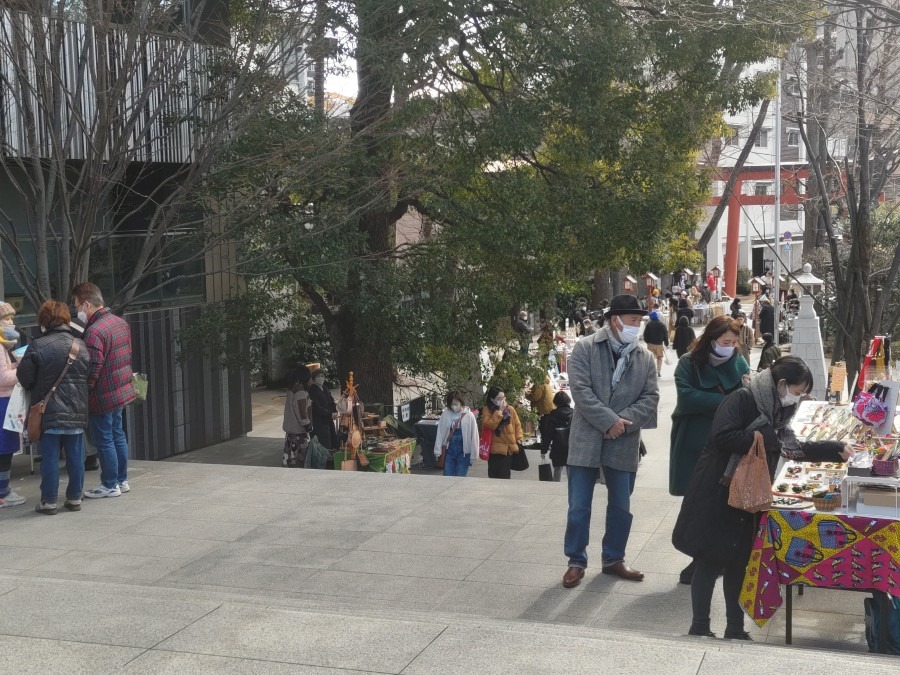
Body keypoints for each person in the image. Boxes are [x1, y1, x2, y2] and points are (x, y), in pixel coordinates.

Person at [673, 357, 853, 639]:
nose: (797, 396)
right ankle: (699, 627)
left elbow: (791, 448)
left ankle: (735, 628)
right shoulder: (742, 399)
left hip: (751, 494)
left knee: (739, 561)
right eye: (797, 390)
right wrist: (762, 435)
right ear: (781, 384)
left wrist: (833, 450)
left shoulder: (778, 412)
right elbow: (722, 436)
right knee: (709, 560)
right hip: (719, 489)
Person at [563, 294, 659, 587]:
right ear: (615, 320)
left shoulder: (645, 357)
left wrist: (621, 424)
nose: (637, 326)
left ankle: (613, 558)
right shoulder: (585, 347)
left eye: (639, 321)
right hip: (586, 438)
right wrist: (609, 421)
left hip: (624, 441)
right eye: (633, 320)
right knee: (578, 506)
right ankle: (576, 560)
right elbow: (580, 390)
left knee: (621, 505)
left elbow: (651, 397)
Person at [669, 315, 750, 584]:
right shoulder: (688, 363)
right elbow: (687, 397)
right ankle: (699, 558)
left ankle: (712, 558)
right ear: (711, 340)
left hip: (727, 441)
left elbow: (747, 398)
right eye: (725, 341)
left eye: (734, 342)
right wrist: (728, 401)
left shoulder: (738, 361)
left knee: (723, 500)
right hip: (693, 438)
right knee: (697, 501)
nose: (730, 346)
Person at [17, 301, 91, 514]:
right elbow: (88, 374)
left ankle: (49, 501)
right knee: (76, 457)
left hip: (47, 410)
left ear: (44, 321)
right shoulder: (80, 345)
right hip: (76, 409)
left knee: (49, 457)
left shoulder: (38, 345)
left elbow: (25, 378)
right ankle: (75, 498)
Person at [72, 283, 136, 499]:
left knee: (104, 439)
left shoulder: (94, 332)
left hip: (102, 394)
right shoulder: (120, 323)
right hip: (120, 389)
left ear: (87, 304)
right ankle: (121, 480)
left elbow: (92, 369)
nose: (77, 311)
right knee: (118, 435)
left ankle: (109, 484)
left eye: (78, 306)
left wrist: (85, 394)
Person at [0, 302, 24, 509]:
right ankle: (2, 492)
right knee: (4, 449)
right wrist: (22, 372)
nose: (11, 323)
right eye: (6, 319)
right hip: (2, 402)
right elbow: (2, 377)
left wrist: (16, 364)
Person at [481, 386, 524, 479]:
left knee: (505, 476)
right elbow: (489, 425)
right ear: (492, 399)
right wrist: (499, 411)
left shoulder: (510, 409)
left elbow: (517, 425)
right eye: (499, 398)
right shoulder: (487, 410)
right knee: (494, 476)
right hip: (494, 450)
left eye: (503, 398)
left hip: (508, 449)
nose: (502, 401)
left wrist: (519, 438)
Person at [434, 391, 480, 477]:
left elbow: (474, 435)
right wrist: (438, 450)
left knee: (460, 477)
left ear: (461, 402)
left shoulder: (469, 415)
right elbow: (440, 432)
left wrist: (474, 454)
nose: (453, 406)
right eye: (451, 404)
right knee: (447, 475)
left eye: (456, 404)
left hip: (464, 452)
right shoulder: (446, 414)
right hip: (449, 451)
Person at [282, 365, 312, 467]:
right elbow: (302, 413)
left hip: (290, 432)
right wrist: (308, 425)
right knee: (299, 461)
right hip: (299, 433)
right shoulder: (300, 391)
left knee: (289, 460)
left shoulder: (291, 389)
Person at [540, 391, 573, 481]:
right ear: (568, 401)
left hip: (557, 447)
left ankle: (556, 486)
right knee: (571, 470)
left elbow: (548, 434)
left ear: (556, 402)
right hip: (571, 446)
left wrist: (544, 450)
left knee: (557, 469)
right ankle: (572, 488)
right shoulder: (573, 414)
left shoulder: (552, 415)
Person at [308, 366, 339, 450]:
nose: (320, 378)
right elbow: (316, 407)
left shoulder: (325, 388)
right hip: (319, 421)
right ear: (313, 379)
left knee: (332, 437)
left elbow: (331, 401)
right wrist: (329, 414)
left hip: (329, 419)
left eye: (322, 376)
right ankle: (324, 460)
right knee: (323, 440)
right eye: (318, 376)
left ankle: (331, 454)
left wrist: (335, 411)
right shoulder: (312, 390)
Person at [643, 310, 669, 377]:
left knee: (651, 358)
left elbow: (645, 334)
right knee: (659, 357)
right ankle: (658, 370)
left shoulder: (649, 324)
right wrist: (666, 342)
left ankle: (651, 371)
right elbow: (665, 334)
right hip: (659, 344)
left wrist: (647, 341)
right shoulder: (662, 324)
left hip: (650, 344)